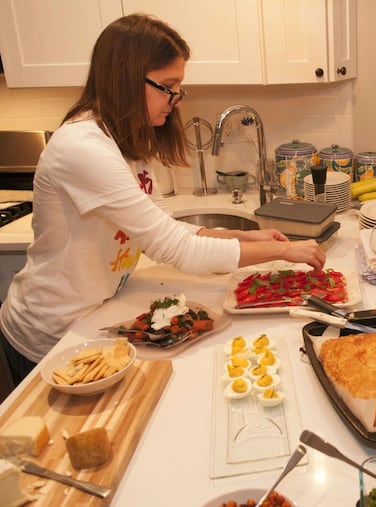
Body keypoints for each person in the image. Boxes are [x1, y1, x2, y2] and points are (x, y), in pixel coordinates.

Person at [0, 14, 326, 386]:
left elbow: (165, 229)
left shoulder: (126, 144)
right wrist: (284, 252)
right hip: (51, 333)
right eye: (168, 87)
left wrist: (250, 238)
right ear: (126, 76)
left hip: (94, 314)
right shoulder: (83, 148)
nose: (175, 101)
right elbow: (175, 249)